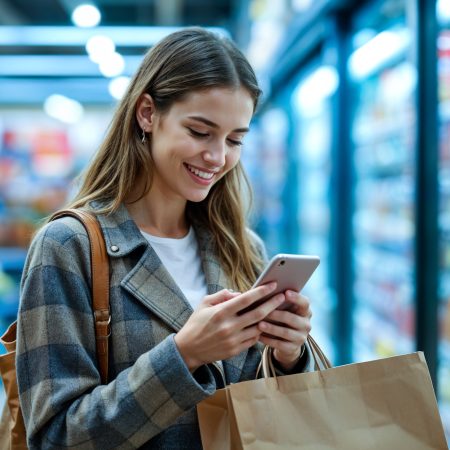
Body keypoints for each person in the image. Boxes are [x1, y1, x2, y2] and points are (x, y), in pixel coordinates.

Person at [16, 27, 313, 449]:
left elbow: (267, 420)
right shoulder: (68, 247)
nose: (217, 157)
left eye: (235, 140)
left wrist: (289, 356)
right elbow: (54, 437)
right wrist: (184, 356)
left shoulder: (241, 248)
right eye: (199, 131)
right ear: (148, 114)